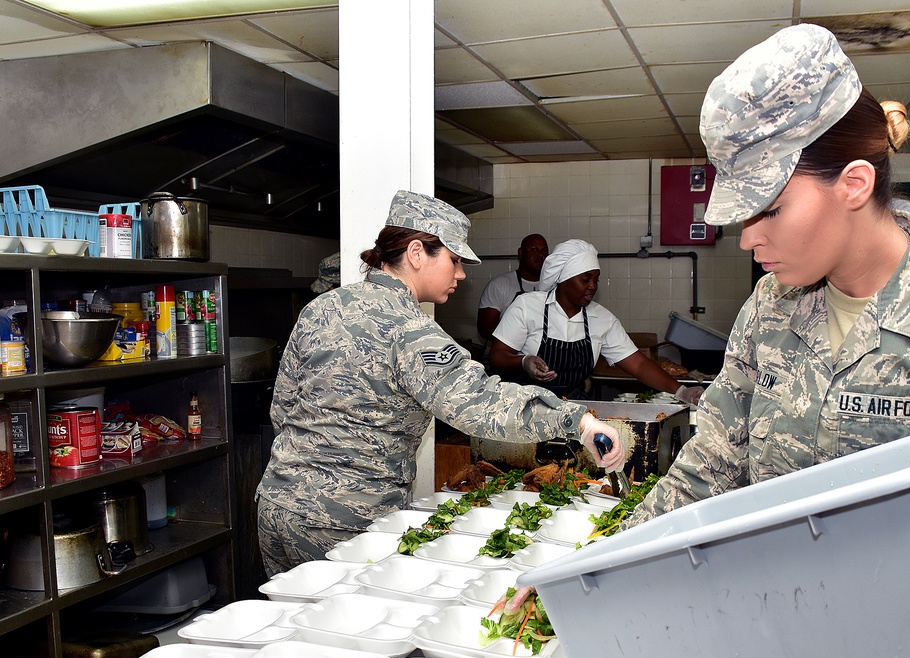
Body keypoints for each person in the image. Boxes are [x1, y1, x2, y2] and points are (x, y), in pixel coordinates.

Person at [623, 24, 910, 658]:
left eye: (768, 209)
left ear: (854, 184)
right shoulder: (771, 306)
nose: (748, 238)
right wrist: (596, 572)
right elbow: (711, 463)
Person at [256, 190, 625, 576]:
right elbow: (483, 404)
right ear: (417, 254)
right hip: (344, 522)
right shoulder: (411, 330)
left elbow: (283, 407)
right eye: (454, 259)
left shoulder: (322, 307)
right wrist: (578, 422)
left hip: (277, 506)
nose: (461, 274)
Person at [489, 239, 703, 404]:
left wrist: (680, 391)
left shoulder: (602, 319)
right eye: (585, 279)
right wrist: (523, 361)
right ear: (563, 278)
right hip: (525, 409)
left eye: (595, 279)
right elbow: (497, 356)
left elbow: (638, 364)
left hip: (572, 411)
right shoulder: (528, 306)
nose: (592, 286)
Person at [477, 233, 549, 340]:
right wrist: (516, 342)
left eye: (544, 251)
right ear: (520, 253)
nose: (540, 255)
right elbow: (485, 328)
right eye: (533, 249)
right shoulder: (500, 285)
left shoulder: (554, 285)